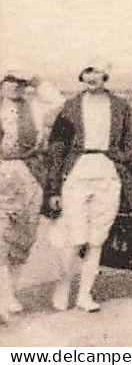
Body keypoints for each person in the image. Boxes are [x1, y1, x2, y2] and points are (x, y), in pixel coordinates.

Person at [42, 64, 132, 313]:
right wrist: (54, 189)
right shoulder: (70, 107)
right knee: (75, 238)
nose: (92, 78)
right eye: (87, 73)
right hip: (77, 173)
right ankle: (64, 285)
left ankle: (85, 295)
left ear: (105, 76)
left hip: (108, 174)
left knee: (97, 239)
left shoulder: (120, 106)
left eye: (96, 72)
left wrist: (127, 175)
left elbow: (128, 143)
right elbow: (56, 149)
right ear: (82, 77)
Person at [0, 72, 45, 322]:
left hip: (28, 175)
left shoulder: (34, 108)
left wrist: (37, 81)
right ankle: (3, 296)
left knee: (22, 237)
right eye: (10, 80)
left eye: (20, 81)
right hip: (1, 173)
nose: (15, 86)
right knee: (1, 236)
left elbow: (57, 103)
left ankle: (10, 293)